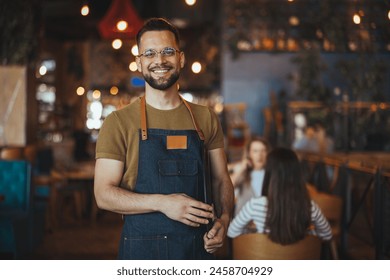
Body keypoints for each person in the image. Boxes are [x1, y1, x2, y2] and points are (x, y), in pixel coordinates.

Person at [94, 18, 234, 260]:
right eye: (150, 53)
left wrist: (224, 219)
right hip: (142, 253)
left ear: (181, 58)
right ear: (139, 63)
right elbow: (103, 194)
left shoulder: (206, 118)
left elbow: (221, 180)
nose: (159, 60)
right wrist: (163, 203)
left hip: (198, 250)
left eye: (168, 51)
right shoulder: (118, 122)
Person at [227, 147, 332, 244]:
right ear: (297, 175)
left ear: (268, 174)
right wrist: (306, 236)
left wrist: (256, 235)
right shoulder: (309, 207)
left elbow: (231, 232)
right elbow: (327, 235)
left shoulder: (256, 205)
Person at [230, 136, 269, 217]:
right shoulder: (241, 170)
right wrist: (242, 168)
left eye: (263, 151)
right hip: (243, 223)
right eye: (255, 151)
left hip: (263, 222)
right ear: (249, 153)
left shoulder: (271, 173)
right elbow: (227, 186)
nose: (259, 155)